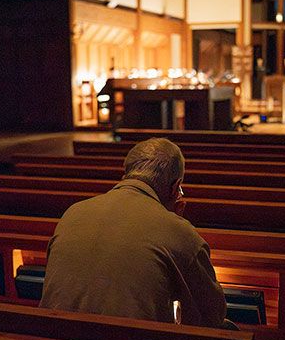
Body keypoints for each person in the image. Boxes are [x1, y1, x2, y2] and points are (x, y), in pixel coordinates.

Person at [39, 138, 227, 328]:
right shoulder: (178, 230)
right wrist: (176, 222)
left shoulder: (73, 213)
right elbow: (212, 316)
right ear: (174, 188)